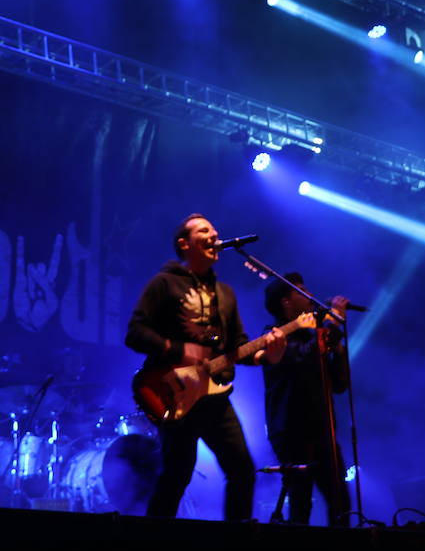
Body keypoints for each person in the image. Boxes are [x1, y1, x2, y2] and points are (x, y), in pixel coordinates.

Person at [125, 213, 284, 520]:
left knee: (242, 471)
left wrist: (268, 355)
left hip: (214, 397)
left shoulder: (225, 294)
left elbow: (238, 346)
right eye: (204, 230)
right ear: (185, 244)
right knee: (177, 474)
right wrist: (178, 349)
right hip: (176, 391)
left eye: (214, 229)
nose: (214, 234)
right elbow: (135, 332)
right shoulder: (164, 283)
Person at [261, 272, 350, 526]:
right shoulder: (273, 336)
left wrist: (337, 342)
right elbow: (302, 360)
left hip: (322, 429)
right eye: (301, 290)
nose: (310, 295)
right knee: (301, 501)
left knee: (341, 502)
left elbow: (340, 385)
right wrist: (332, 328)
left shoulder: (315, 337)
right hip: (292, 430)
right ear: (286, 301)